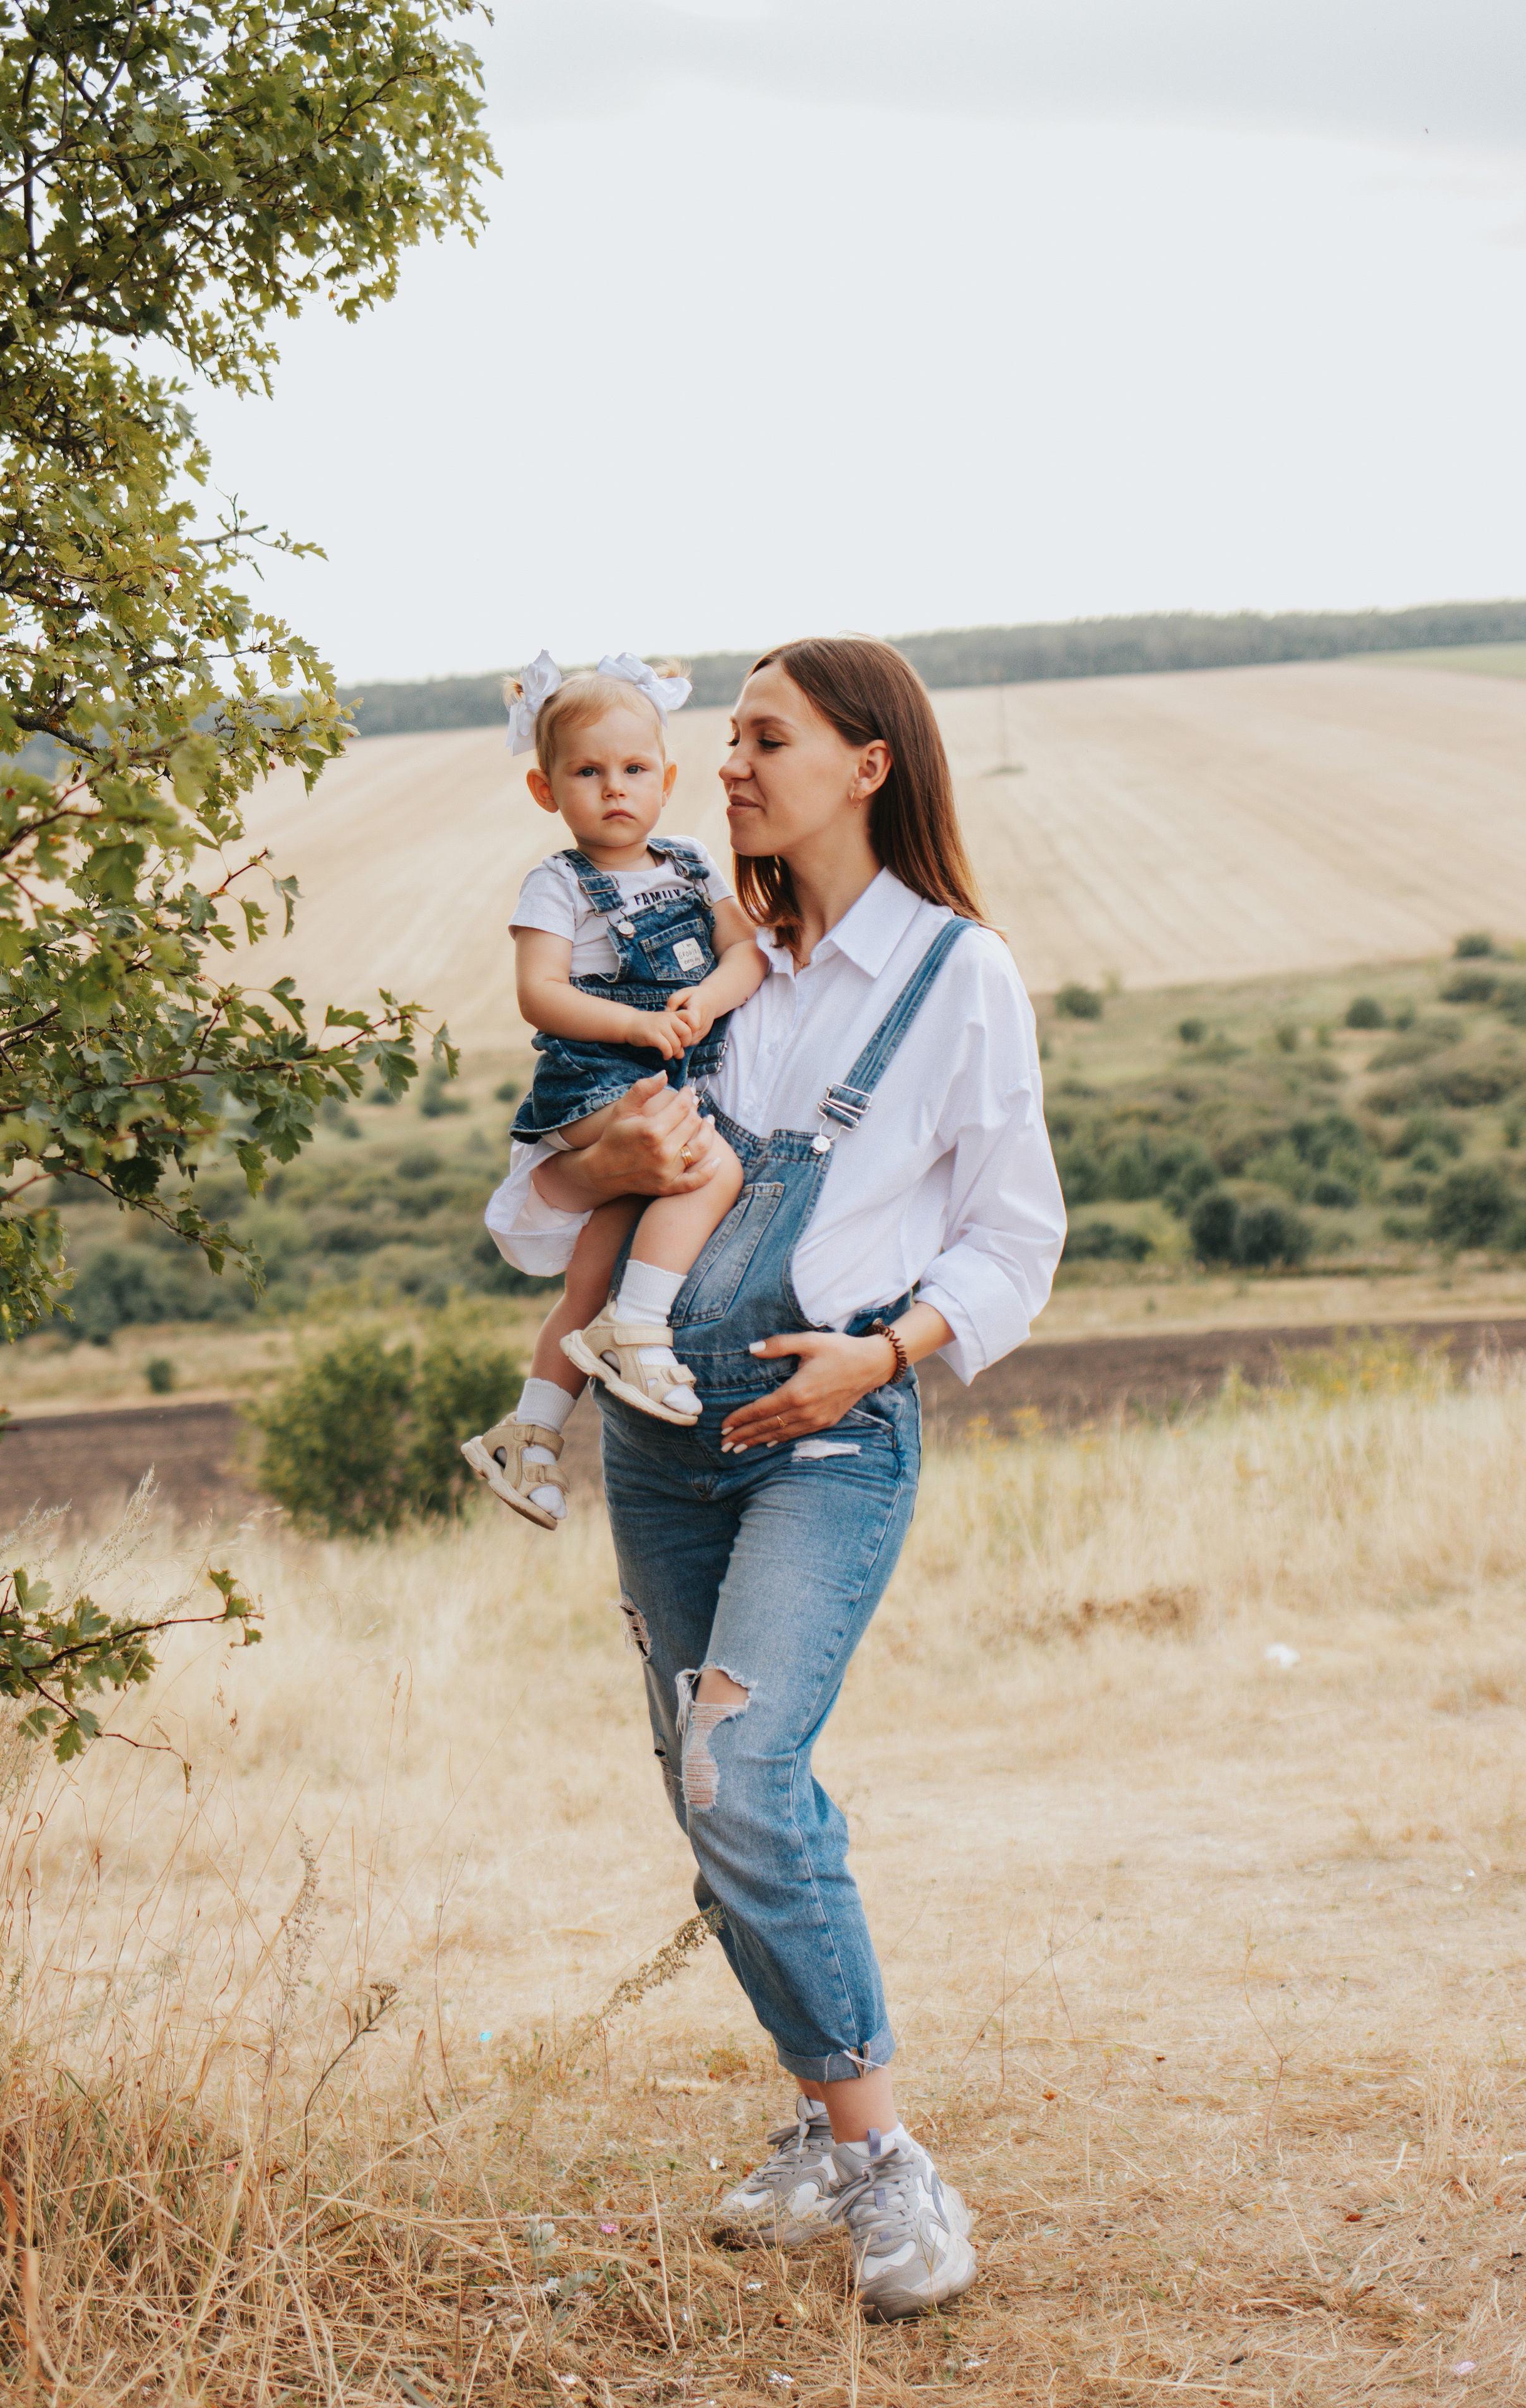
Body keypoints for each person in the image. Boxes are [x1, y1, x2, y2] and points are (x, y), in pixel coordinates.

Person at [483, 636, 1065, 2318]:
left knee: (743, 1776)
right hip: (660, 1432)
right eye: (721, 738)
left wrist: (883, 1356)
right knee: (718, 1796)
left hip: (827, 1425)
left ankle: (890, 2161)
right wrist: (598, 1153)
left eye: (762, 737)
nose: (720, 765)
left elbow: (1017, 1239)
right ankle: (822, 2122)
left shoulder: (958, 976)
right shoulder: (684, 948)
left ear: (868, 762)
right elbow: (535, 1221)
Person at [463, 650, 768, 1530]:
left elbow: (744, 953)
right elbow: (541, 994)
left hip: (656, 1063)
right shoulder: (556, 884)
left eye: (634, 769)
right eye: (587, 773)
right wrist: (637, 1027)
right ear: (545, 790)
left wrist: (705, 998)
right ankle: (636, 1332)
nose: (613, 790)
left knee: (592, 1266)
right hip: (594, 1076)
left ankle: (529, 1433)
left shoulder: (692, 862)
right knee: (708, 1169)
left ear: (667, 780)